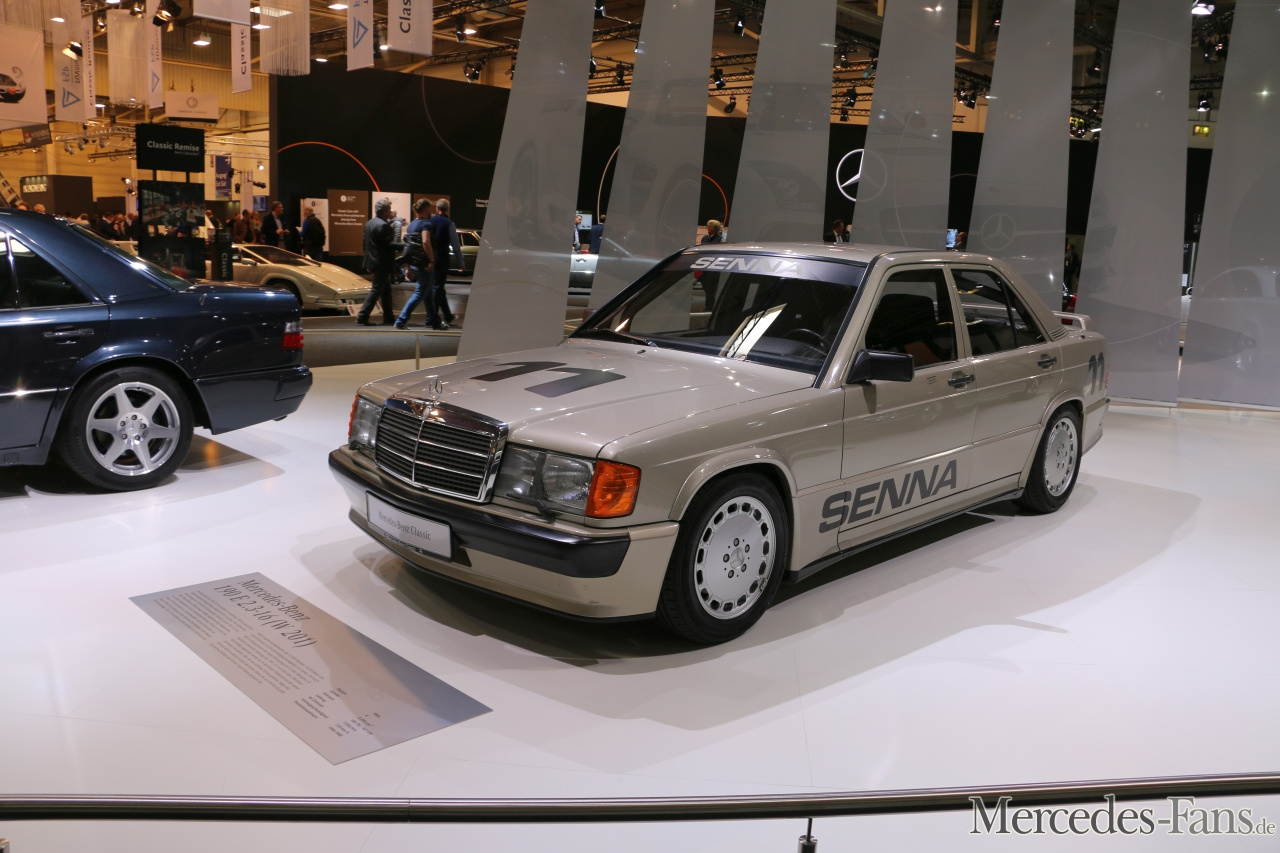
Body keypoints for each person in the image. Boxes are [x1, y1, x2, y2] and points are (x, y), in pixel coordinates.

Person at [394, 198, 440, 330]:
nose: (431, 211)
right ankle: (401, 320)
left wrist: (408, 267)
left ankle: (435, 322)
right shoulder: (426, 224)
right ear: (426, 208)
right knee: (420, 293)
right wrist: (431, 260)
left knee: (428, 294)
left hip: (415, 264)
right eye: (429, 208)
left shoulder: (411, 225)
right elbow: (426, 242)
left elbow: (409, 248)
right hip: (425, 264)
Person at [356, 198, 397, 326]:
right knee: (376, 290)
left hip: (374, 262)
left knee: (385, 290)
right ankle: (362, 316)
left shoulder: (369, 223)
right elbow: (389, 245)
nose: (390, 211)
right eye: (389, 209)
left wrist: (369, 264)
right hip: (382, 262)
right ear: (385, 211)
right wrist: (405, 246)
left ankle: (389, 316)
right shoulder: (383, 225)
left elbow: (365, 245)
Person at [422, 199, 459, 328]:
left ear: (436, 207)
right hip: (442, 258)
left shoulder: (429, 222)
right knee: (438, 287)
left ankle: (448, 315)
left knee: (438, 286)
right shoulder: (449, 223)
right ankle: (430, 318)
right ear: (447, 209)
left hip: (430, 257)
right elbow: (455, 244)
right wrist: (460, 261)